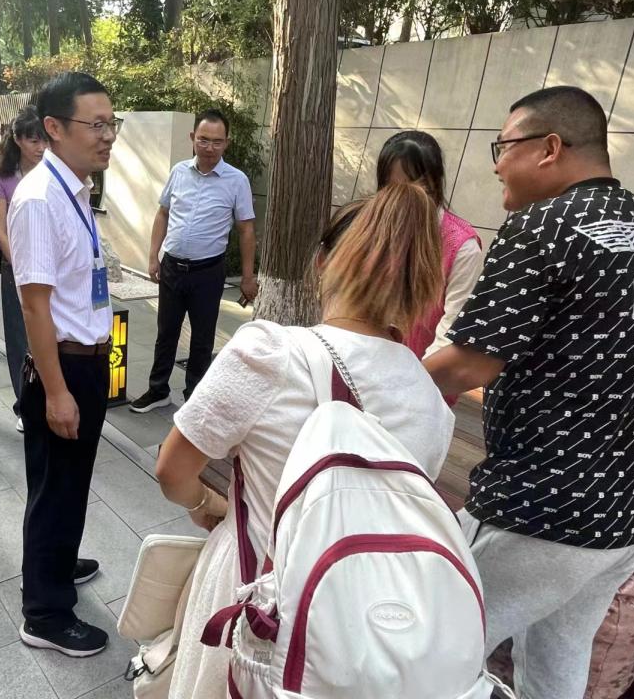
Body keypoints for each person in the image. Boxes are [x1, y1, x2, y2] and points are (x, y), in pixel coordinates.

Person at [423, 86, 634, 698]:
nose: (497, 165)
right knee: (558, 656)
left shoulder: (541, 227)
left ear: (549, 147)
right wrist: (626, 382)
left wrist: (364, 376)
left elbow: (470, 364)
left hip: (543, 508)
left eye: (503, 147)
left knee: (427, 638)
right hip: (633, 514)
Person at [155, 182, 455, 697]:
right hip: (356, 623)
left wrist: (207, 504)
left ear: (322, 263)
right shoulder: (430, 400)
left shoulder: (270, 353)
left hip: (255, 593)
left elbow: (172, 470)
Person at [8, 72, 123, 657]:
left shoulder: (74, 189)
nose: (107, 136)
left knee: (66, 483)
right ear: (53, 127)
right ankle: (45, 614)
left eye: (111, 123)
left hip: (87, 361)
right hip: (64, 368)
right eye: (95, 125)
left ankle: (54, 561)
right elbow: (34, 305)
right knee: (56, 489)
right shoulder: (38, 199)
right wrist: (56, 392)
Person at [130, 110, 258, 413]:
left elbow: (246, 229)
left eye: (217, 141)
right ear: (192, 138)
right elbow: (163, 213)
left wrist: (248, 277)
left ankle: (195, 398)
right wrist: (153, 256)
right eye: (203, 140)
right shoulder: (179, 172)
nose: (209, 147)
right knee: (166, 333)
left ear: (226, 142)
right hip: (172, 268)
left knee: (202, 339)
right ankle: (158, 390)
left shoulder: (236, 180)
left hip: (207, 272)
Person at [376, 131, 482, 361]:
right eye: (393, 189)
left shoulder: (462, 246)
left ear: (435, 183)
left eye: (418, 187)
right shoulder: (375, 227)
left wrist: (415, 376)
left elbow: (451, 331)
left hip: (425, 371)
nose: (405, 199)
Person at [0, 108, 49, 432]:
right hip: (17, 268)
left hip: (51, 267)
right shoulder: (1, 176)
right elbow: (0, 230)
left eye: (44, 140)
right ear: (17, 139)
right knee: (19, 337)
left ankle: (51, 396)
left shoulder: (54, 173)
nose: (40, 147)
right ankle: (25, 404)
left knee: (51, 333)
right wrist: (21, 267)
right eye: (33, 140)